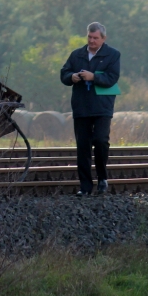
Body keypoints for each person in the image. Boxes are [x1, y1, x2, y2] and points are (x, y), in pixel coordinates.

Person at [60, 22, 121, 195]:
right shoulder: (76, 54)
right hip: (81, 106)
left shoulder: (113, 55)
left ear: (103, 38)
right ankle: (85, 187)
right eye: (89, 37)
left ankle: (102, 178)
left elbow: (112, 78)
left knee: (101, 140)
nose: (92, 41)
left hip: (102, 106)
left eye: (95, 38)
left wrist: (93, 77)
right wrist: (71, 77)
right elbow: (63, 73)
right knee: (83, 146)